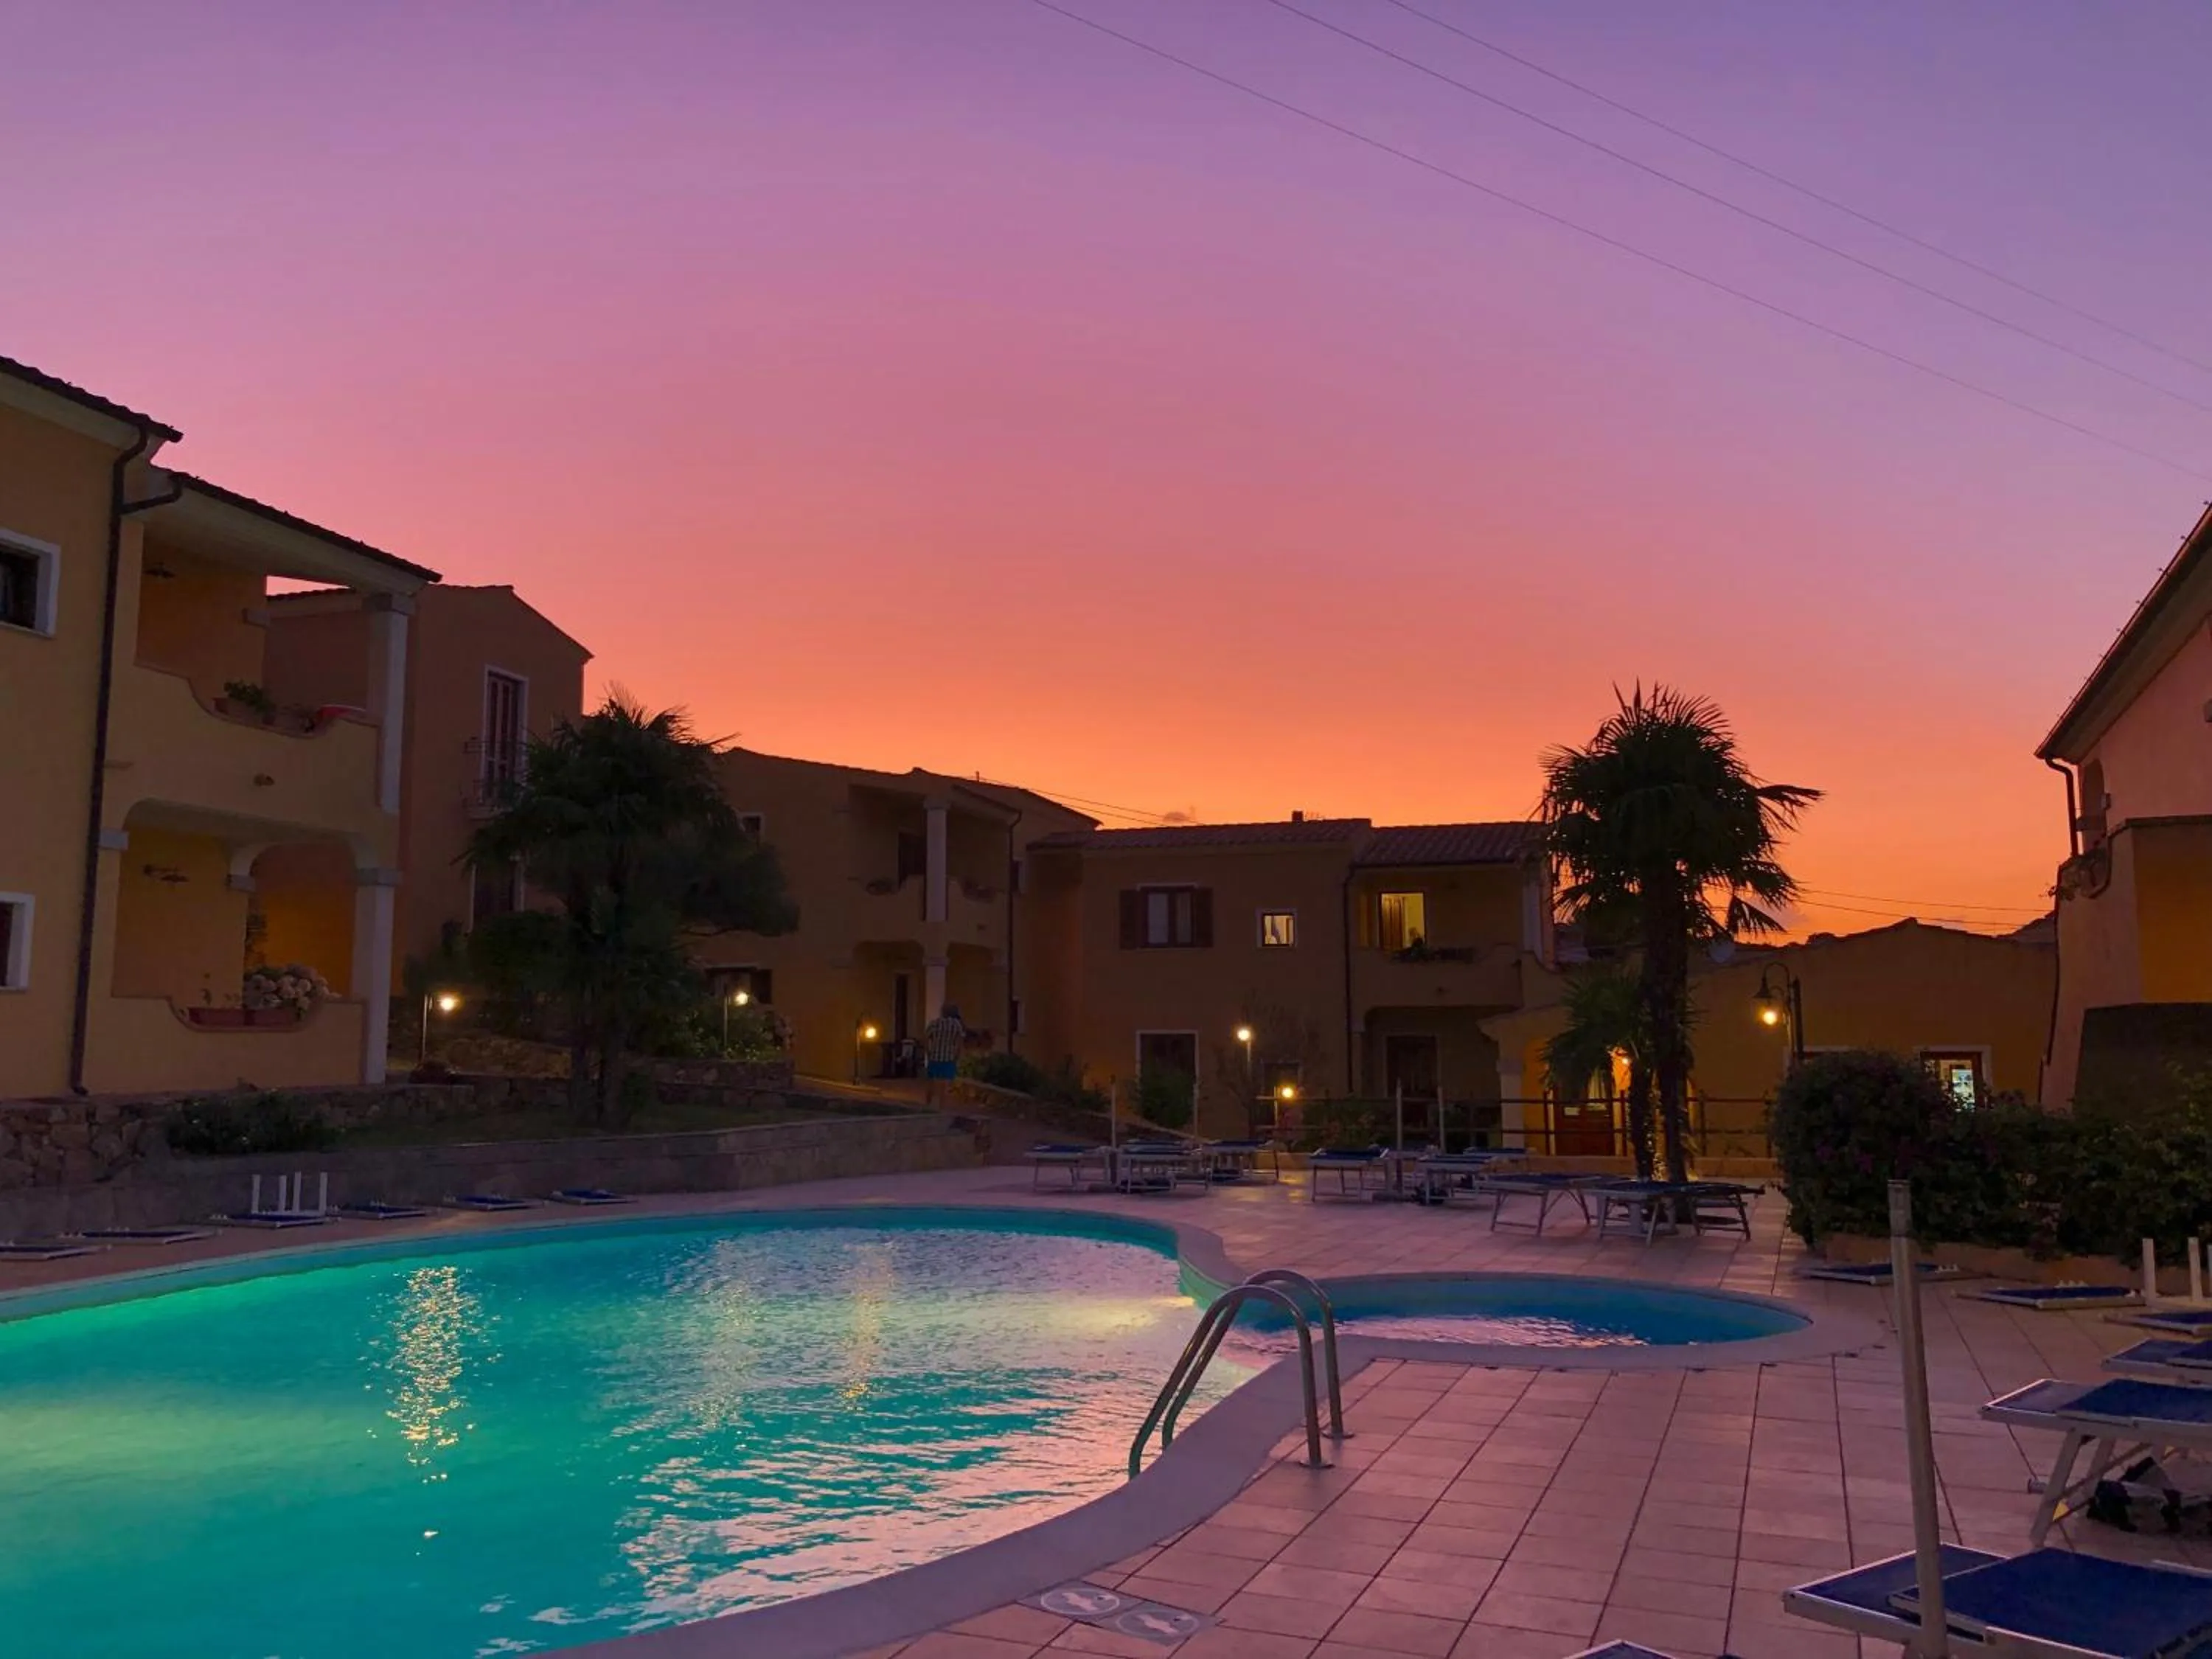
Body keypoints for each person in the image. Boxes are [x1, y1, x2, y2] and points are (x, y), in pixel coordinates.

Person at [922, 1002, 966, 1106]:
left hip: (935, 1056)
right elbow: (960, 1042)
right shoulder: (956, 1025)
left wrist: (928, 1052)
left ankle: (928, 1105)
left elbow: (925, 1038)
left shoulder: (934, 1023)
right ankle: (942, 1107)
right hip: (949, 1058)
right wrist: (957, 1055)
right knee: (946, 1085)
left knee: (932, 1083)